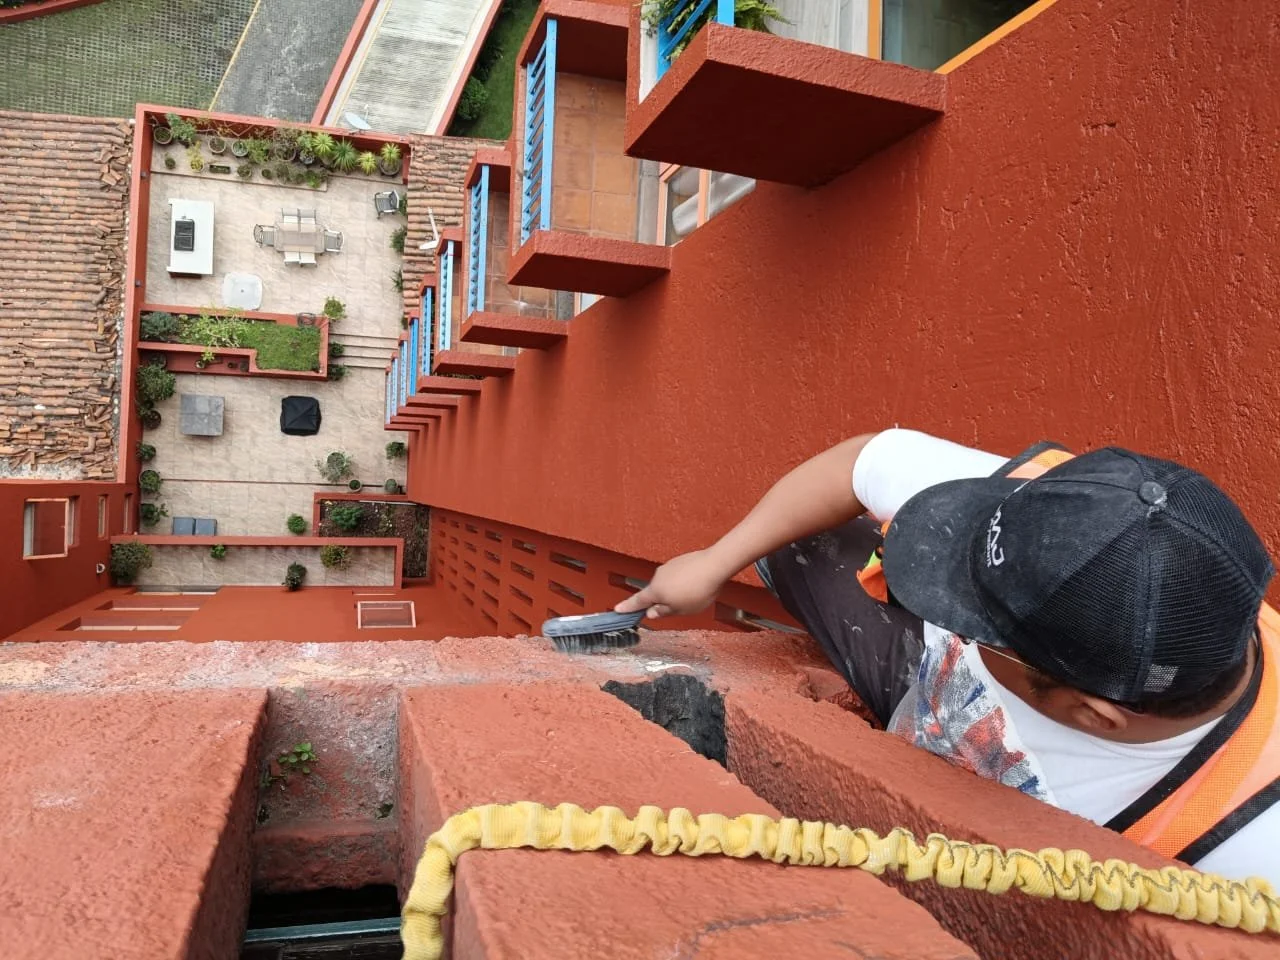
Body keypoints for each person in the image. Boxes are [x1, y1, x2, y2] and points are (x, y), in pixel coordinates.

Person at [616, 428, 1280, 886]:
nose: (945, 616)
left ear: (1095, 715)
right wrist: (714, 561)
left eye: (982, 628)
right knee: (798, 546)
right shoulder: (1088, 515)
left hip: (993, 840)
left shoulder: (1241, 847)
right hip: (920, 686)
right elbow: (868, 460)